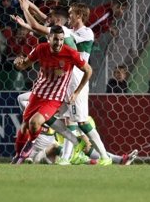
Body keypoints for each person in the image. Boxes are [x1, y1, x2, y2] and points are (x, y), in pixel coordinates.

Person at [13, 0, 113, 166]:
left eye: (72, 12)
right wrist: (25, 2)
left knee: (80, 121)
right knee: (55, 117)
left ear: (79, 16)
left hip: (76, 79)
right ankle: (70, 155)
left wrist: (26, 8)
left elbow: (41, 25)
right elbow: (45, 21)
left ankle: (102, 156)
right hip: (64, 80)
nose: (69, 14)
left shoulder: (85, 33)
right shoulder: (67, 31)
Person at [12, 25, 92, 164]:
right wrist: (17, 63)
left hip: (54, 98)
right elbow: (24, 65)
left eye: (61, 40)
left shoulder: (70, 53)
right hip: (38, 93)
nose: (59, 43)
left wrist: (77, 91)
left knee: (34, 122)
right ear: (49, 39)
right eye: (56, 39)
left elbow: (88, 70)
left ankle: (32, 143)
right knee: (25, 126)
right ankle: (18, 156)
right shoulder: (40, 49)